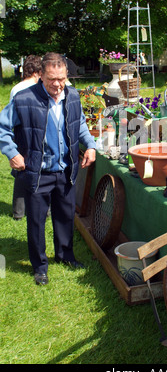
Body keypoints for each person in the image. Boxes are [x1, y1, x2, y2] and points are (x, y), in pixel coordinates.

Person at [0, 52, 96, 285]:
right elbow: (3, 129)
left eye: (62, 78)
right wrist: (12, 153)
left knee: (65, 216)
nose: (57, 84)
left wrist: (91, 145)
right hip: (37, 172)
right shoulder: (24, 99)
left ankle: (65, 255)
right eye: (52, 78)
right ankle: (40, 266)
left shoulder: (72, 96)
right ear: (40, 75)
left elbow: (80, 123)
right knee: (36, 220)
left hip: (65, 170)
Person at [9, 55, 42, 220]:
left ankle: (19, 212)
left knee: (21, 172)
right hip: (29, 133)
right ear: (37, 72)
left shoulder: (16, 87)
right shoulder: (31, 87)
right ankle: (33, 210)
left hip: (19, 133)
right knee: (29, 172)